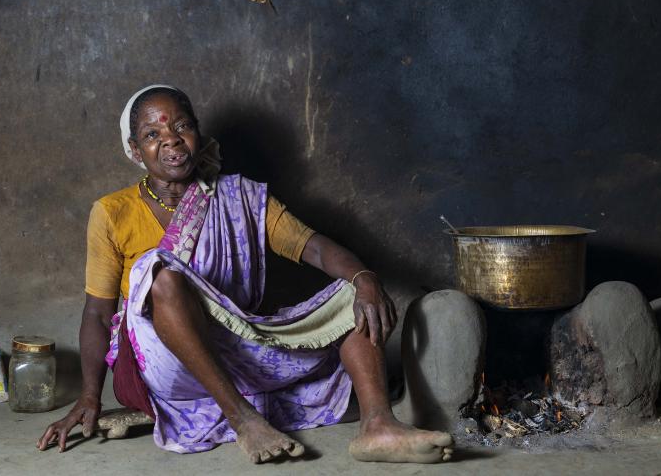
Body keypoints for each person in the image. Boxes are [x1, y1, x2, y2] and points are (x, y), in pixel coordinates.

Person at [37, 85, 454, 464]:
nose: (171, 141)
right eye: (152, 135)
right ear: (134, 150)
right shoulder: (112, 212)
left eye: (182, 126)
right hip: (167, 362)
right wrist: (89, 396)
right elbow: (97, 313)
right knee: (157, 270)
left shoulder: (240, 197)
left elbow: (317, 247)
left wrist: (364, 278)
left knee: (351, 294)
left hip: (240, 349)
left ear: (198, 133)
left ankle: (378, 425)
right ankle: (243, 419)